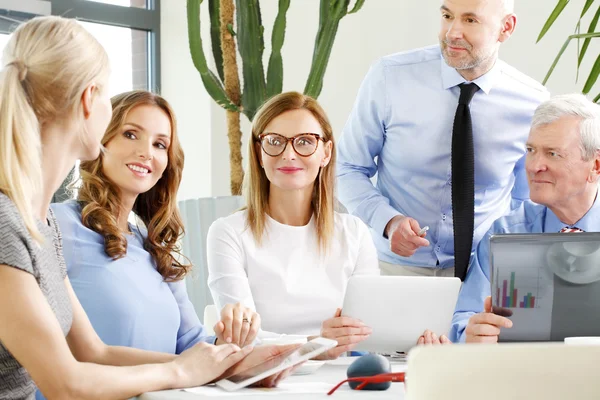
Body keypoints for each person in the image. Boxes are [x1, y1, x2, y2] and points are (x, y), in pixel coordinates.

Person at [0, 17, 293, 400]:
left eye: (160, 144)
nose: (146, 151)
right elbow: (66, 385)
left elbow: (95, 352)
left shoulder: (39, 226)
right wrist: (178, 371)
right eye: (108, 97)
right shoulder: (10, 224)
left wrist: (227, 367)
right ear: (90, 99)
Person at [336, 0, 549, 279]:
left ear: (505, 28)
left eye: (470, 20)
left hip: (482, 273)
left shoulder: (532, 103)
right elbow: (347, 168)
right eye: (447, 16)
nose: (452, 32)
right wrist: (388, 221)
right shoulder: (389, 78)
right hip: (390, 268)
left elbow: (527, 199)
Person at [51, 90, 260, 357]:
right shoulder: (58, 225)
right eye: (130, 134)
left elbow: (189, 342)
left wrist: (230, 338)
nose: (145, 152)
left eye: (160, 144)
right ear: (100, 142)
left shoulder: (156, 249)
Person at [207, 91, 380, 359]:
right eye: (274, 141)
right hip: (263, 383)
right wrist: (317, 344)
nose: (288, 154)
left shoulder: (354, 232)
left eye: (305, 142)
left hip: (341, 379)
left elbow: (368, 330)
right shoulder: (228, 233)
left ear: (326, 152)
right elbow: (242, 340)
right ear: (259, 152)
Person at [452, 94, 600, 343]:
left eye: (553, 154)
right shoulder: (506, 234)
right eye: (531, 150)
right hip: (524, 373)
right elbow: (462, 321)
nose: (533, 166)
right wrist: (472, 333)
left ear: (595, 166)